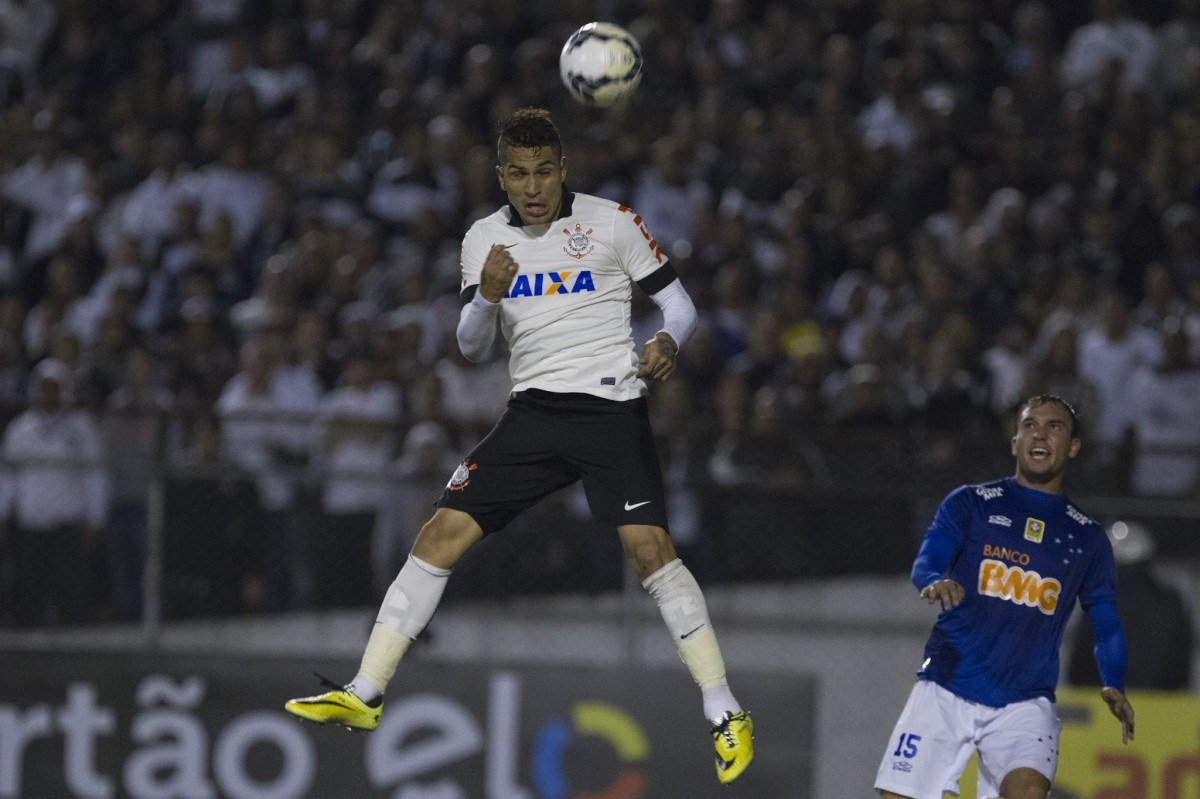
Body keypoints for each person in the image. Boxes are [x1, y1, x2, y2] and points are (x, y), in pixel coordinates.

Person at [285, 108, 754, 784]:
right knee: (437, 535)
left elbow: (680, 304)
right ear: (501, 176)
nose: (533, 187)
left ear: (562, 170)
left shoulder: (612, 221)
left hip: (609, 406)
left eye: (544, 172)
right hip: (532, 413)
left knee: (651, 553)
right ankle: (365, 691)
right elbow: (471, 346)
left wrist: (666, 340)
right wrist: (485, 299)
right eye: (519, 174)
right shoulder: (483, 241)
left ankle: (723, 708)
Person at [875, 394, 1135, 799]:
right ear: (1015, 442)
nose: (1040, 433)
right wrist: (931, 580)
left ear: (1074, 447)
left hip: (1025, 702)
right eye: (1030, 424)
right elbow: (927, 561)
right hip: (946, 684)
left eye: (1055, 426)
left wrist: (1113, 681)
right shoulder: (969, 503)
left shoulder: (1087, 537)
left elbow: (1104, 619)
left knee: (1028, 791)